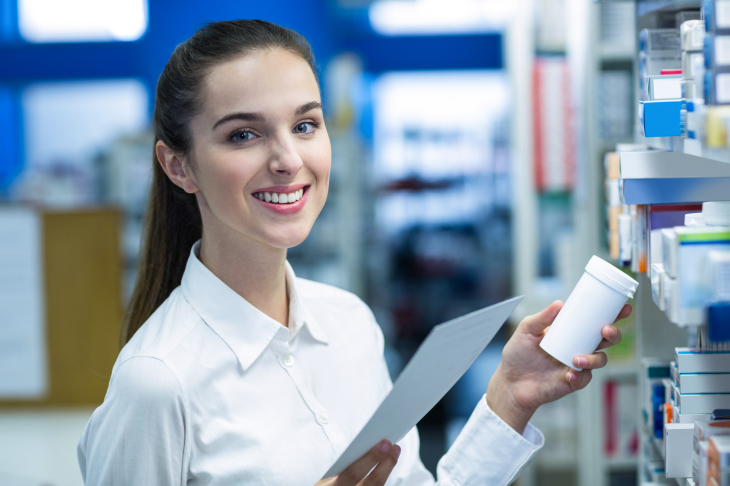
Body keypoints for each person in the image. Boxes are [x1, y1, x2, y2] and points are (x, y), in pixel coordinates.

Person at [77, 19, 630, 485]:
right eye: (244, 135)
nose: (289, 158)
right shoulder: (157, 382)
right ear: (178, 166)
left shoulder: (348, 322)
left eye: (304, 124)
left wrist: (510, 397)